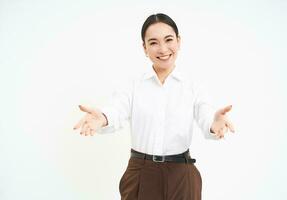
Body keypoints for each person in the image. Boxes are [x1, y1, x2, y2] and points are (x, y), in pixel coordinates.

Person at [73, 13, 235, 200]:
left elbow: (206, 114)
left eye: (168, 40)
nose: (163, 49)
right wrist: (102, 118)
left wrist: (214, 124)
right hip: (141, 172)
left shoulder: (193, 85)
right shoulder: (133, 85)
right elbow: (116, 110)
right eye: (153, 42)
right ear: (145, 48)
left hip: (182, 173)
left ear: (178, 41)